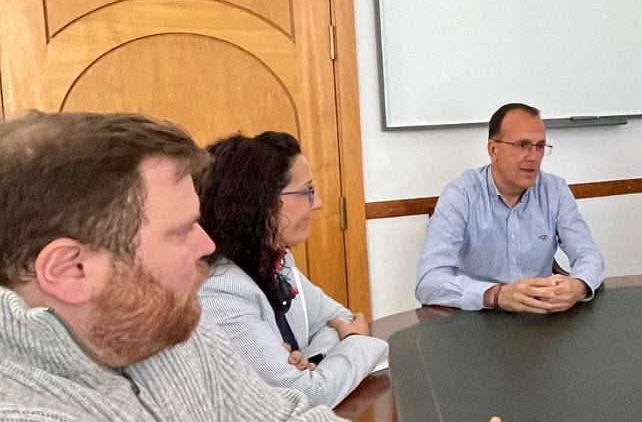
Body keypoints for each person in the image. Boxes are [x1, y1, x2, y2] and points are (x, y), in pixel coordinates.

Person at [0, 111, 337, 420]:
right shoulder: (26, 411)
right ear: (72, 269)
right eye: (181, 231)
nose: (207, 245)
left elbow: (287, 417)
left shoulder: (162, 323)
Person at [197, 132, 387, 408]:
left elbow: (338, 318)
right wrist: (356, 341)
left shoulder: (278, 260)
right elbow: (308, 396)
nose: (318, 203)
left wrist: (310, 361)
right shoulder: (219, 290)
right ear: (261, 202)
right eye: (307, 191)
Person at [415, 103, 605, 313]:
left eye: (540, 146)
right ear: (493, 149)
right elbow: (429, 282)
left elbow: (589, 255)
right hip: (476, 318)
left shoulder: (555, 191)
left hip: (538, 320)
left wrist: (579, 285)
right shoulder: (461, 194)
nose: (533, 157)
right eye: (523, 145)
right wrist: (496, 295)